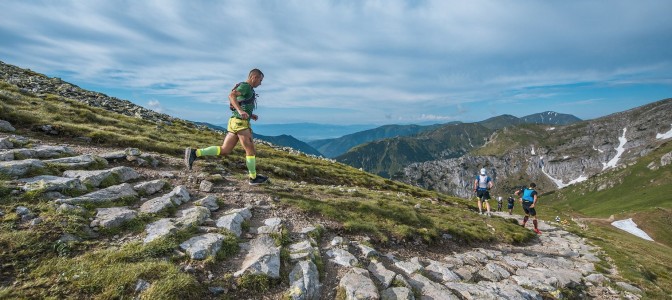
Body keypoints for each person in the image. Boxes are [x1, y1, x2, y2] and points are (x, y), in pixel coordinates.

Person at [184, 69, 269, 185]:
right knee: (251, 151)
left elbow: (241, 101)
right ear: (254, 77)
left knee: (225, 150)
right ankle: (253, 178)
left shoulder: (247, 88)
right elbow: (231, 95)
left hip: (234, 122)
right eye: (260, 80)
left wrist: (250, 115)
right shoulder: (245, 86)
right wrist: (240, 111)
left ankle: (195, 153)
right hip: (240, 123)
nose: (260, 83)